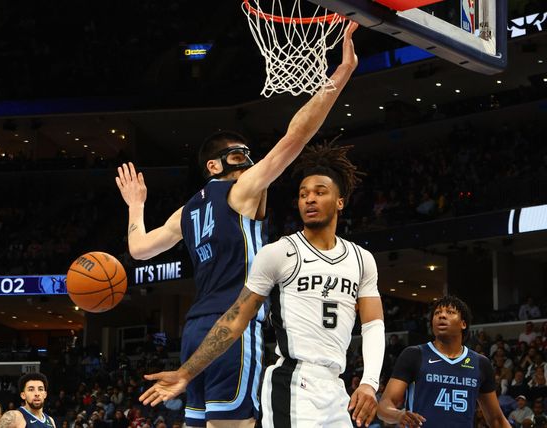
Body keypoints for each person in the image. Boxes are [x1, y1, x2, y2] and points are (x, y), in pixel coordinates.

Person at [116, 21, 360, 428]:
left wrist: (135, 206)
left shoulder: (186, 213)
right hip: (232, 327)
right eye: (237, 155)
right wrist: (342, 73)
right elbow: (296, 137)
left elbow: (139, 249)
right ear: (214, 166)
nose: (248, 160)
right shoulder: (242, 189)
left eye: (248, 153)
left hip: (195, 332)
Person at [138, 143, 385, 428]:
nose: (309, 199)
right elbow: (235, 318)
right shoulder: (279, 253)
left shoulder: (361, 259)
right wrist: (187, 372)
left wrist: (369, 382)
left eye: (320, 192)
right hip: (293, 384)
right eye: (303, 194)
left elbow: (373, 325)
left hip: (335, 387)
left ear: (340, 202)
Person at [377, 296, 510, 427]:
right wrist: (398, 415)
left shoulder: (480, 363)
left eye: (450, 312)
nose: (442, 316)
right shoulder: (414, 355)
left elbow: (497, 420)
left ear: (463, 324)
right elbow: (384, 405)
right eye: (437, 313)